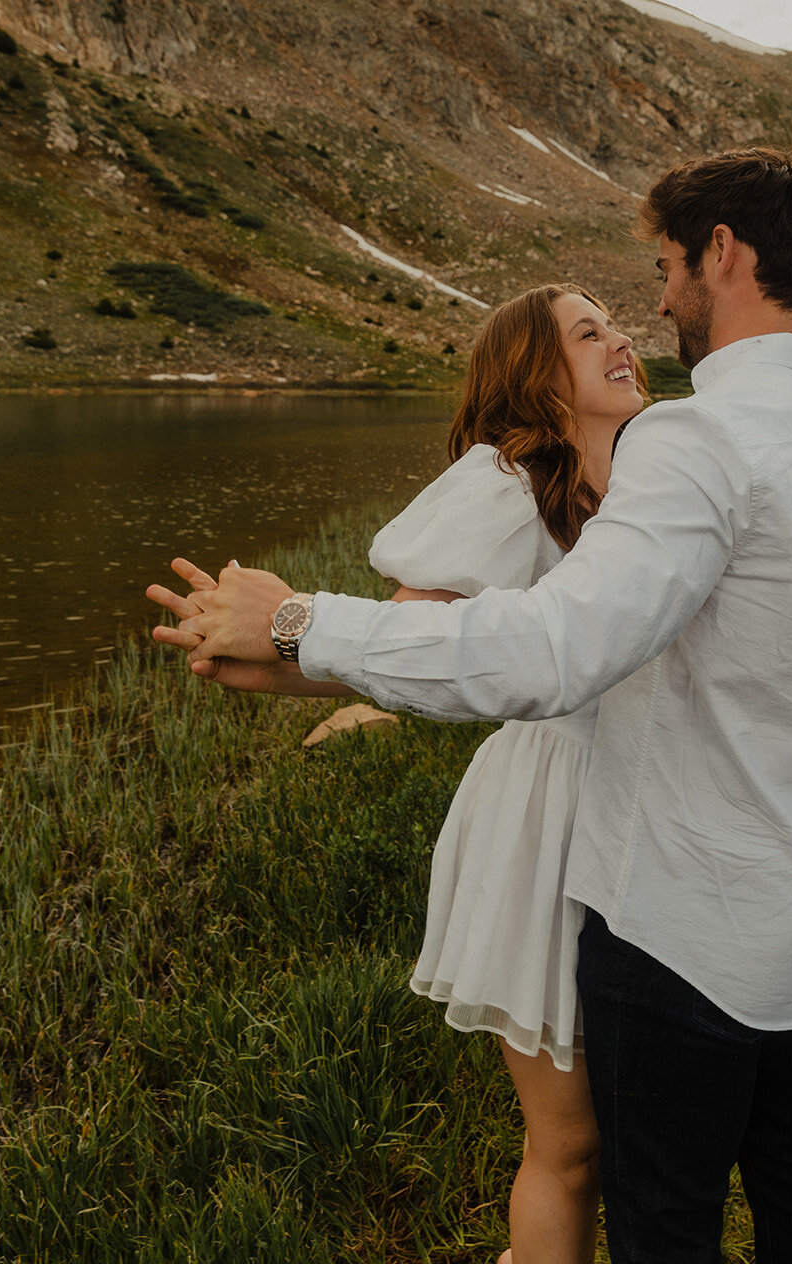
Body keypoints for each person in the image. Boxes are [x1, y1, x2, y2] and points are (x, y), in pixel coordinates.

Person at [152, 147, 792, 1263]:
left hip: (684, 914)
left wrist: (297, 622)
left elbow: (557, 647)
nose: (652, 305)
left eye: (663, 266)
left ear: (720, 253)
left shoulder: (701, 439)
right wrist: (301, 658)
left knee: (663, 1210)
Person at [149, 282, 648, 1264]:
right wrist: (270, 652)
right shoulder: (509, 482)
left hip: (650, 806)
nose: (621, 339)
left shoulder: (658, 474)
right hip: (548, 817)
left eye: (615, 324)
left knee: (645, 1130)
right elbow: (411, 637)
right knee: (573, 1143)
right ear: (533, 377)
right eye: (588, 333)